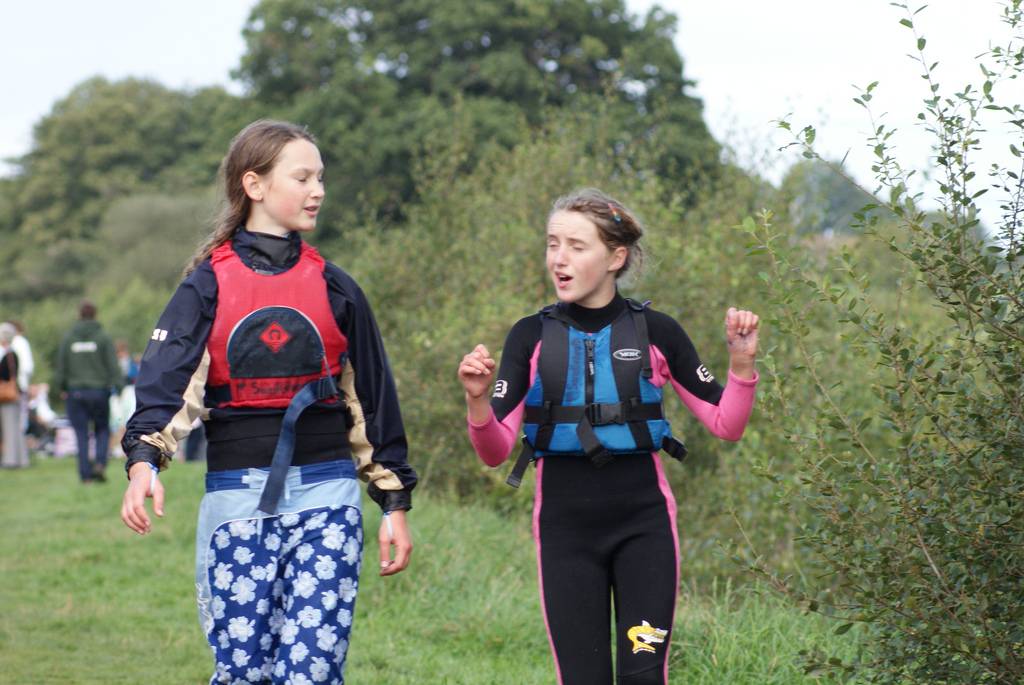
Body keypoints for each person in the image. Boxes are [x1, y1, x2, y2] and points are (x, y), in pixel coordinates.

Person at [119, 119, 416, 684]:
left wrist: (393, 499)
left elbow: (372, 404)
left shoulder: (338, 288)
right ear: (254, 185)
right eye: (302, 177)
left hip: (328, 495)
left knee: (312, 671)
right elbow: (170, 388)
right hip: (236, 497)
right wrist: (144, 461)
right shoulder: (205, 284)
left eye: (320, 178)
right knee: (242, 673)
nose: (317, 190)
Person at [458, 189, 760, 685]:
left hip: (645, 529)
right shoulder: (528, 336)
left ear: (616, 257)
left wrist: (742, 364)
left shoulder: (657, 332)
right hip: (564, 530)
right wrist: (475, 400)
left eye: (577, 246)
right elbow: (494, 452)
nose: (559, 258)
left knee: (643, 677)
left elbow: (728, 424)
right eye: (553, 244)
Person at [54, 301, 121, 482]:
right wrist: (119, 386)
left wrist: (60, 387)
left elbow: (61, 366)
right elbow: (112, 365)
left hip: (75, 393)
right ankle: (100, 463)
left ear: (79, 315)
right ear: (95, 315)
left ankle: (85, 475)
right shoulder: (103, 337)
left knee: (81, 434)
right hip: (99, 391)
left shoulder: (69, 338)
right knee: (102, 429)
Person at [1, 322, 30, 468]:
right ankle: (21, 459)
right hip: (15, 394)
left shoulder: (8, 355)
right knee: (16, 427)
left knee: (10, 428)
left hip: (8, 396)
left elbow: (6, 375)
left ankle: (11, 459)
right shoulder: (12, 354)